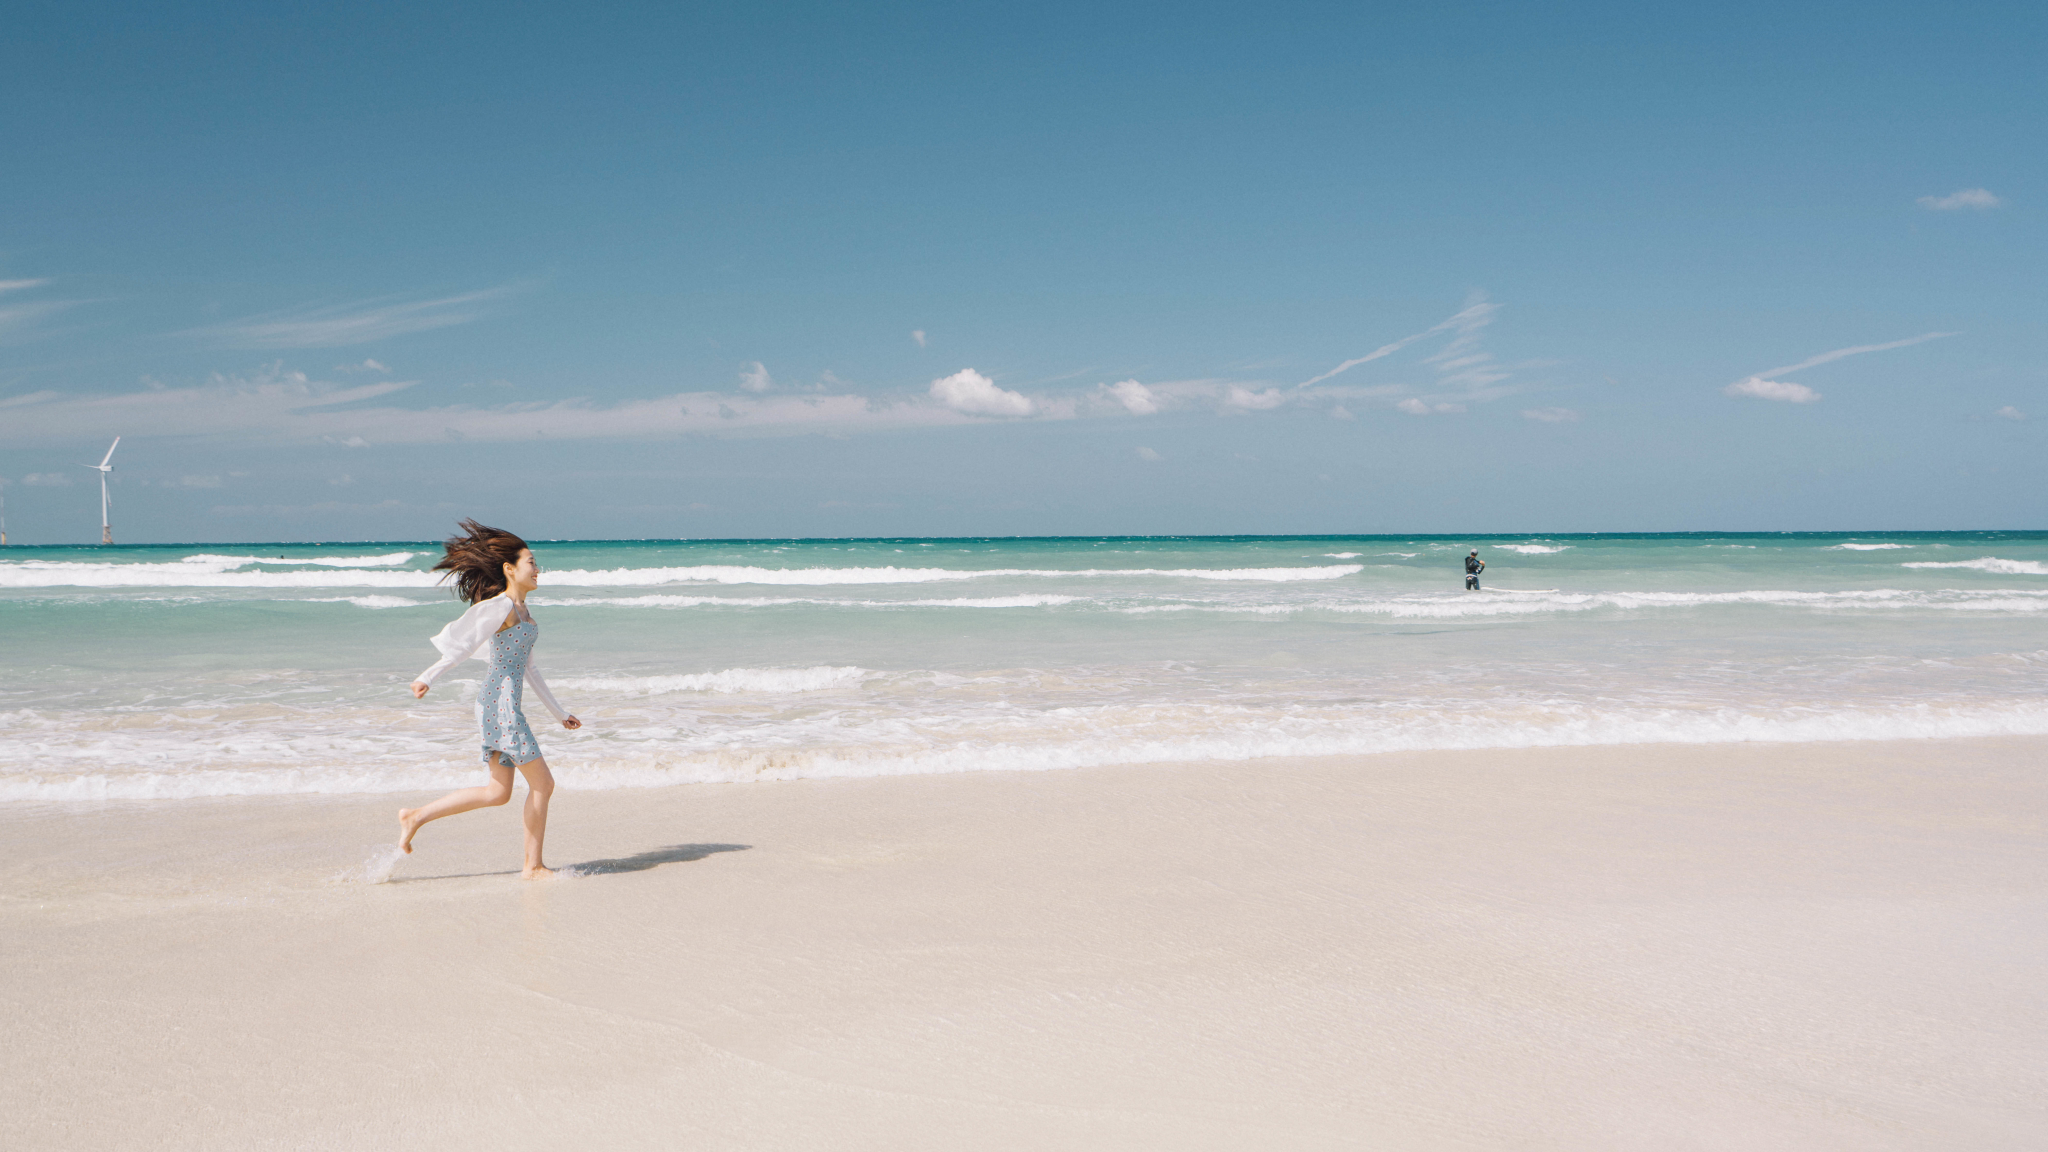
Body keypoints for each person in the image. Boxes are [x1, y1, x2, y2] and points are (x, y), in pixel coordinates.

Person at [398, 520, 582, 878]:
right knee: (543, 784)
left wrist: (560, 713)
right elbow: (465, 646)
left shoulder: (524, 613)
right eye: (531, 562)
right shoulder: (501, 608)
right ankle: (533, 866)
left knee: (497, 793)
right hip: (499, 705)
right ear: (509, 568)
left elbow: (529, 669)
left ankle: (414, 816)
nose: (537, 568)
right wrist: (427, 677)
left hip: (502, 705)